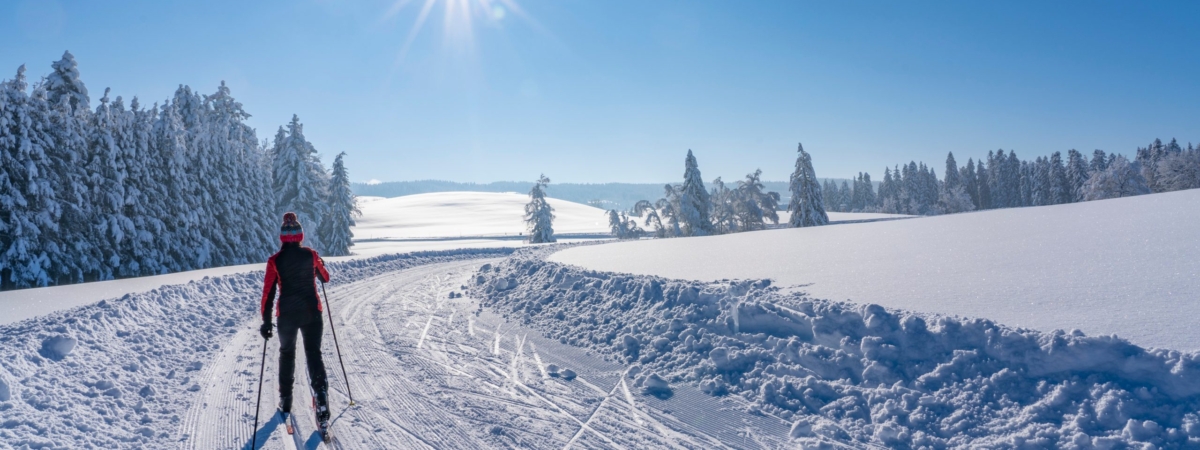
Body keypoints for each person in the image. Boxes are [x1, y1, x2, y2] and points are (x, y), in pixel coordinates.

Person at [260, 212, 332, 425]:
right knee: (313, 353)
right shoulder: (311, 255)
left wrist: (265, 322)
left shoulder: (275, 261)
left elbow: (268, 294)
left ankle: (286, 400)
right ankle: (321, 398)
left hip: (288, 316)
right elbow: (325, 278)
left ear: (282, 237)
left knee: (287, 354)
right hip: (312, 313)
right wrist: (319, 266)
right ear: (300, 235)